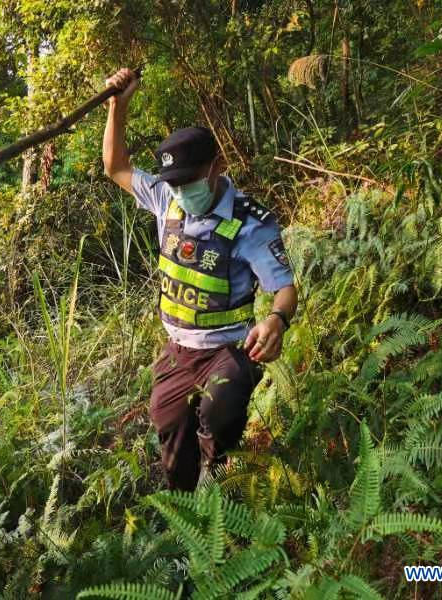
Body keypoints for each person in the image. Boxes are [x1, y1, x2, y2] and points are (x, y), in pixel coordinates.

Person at [102, 68, 298, 491]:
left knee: (220, 410)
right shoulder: (165, 199)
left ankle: (225, 481)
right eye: (174, 184)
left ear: (216, 167)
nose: (180, 192)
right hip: (178, 350)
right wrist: (119, 103)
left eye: (189, 183)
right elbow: (115, 166)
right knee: (168, 425)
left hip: (230, 348)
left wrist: (276, 321)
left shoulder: (250, 224)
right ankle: (186, 506)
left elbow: (284, 287)